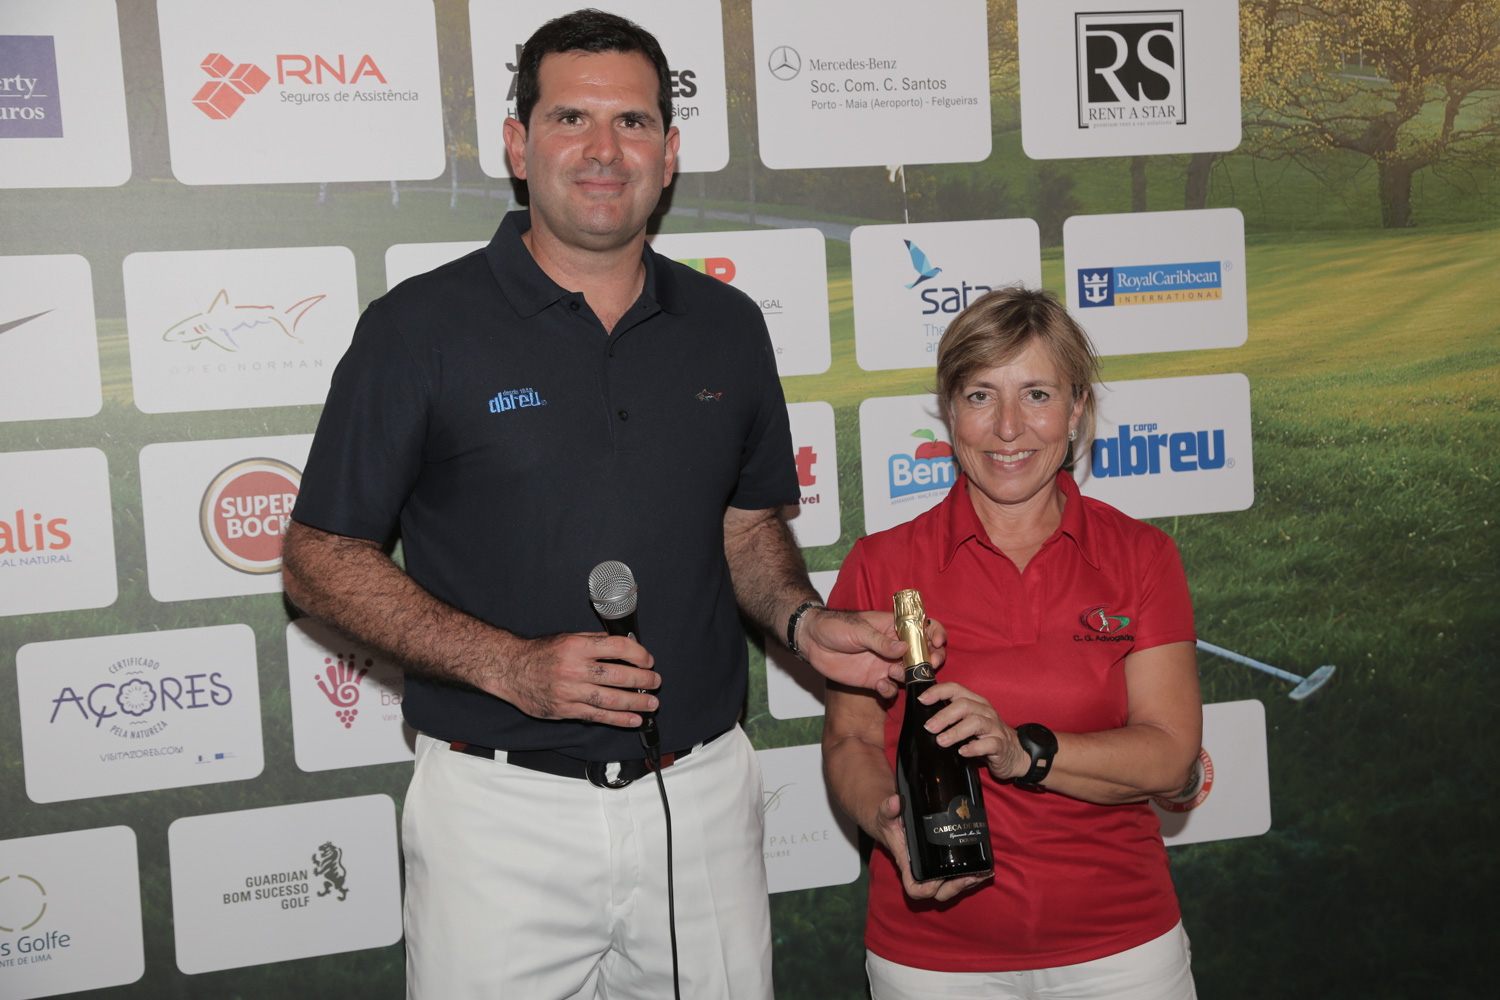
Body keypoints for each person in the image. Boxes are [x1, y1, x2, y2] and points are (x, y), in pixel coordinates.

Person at [280, 10, 917, 1000]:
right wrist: (511, 666)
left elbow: (746, 526)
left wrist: (803, 620)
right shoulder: (418, 328)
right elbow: (318, 558)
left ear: (670, 152)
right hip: (498, 811)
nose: (604, 149)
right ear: (517, 144)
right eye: (570, 118)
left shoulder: (728, 326)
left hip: (701, 801)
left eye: (632, 121)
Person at [822, 287, 1203, 1000]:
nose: (1007, 428)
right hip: (931, 958)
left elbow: (1170, 753)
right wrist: (884, 819)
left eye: (1036, 394)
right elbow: (851, 740)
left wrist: (1020, 751)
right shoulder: (880, 564)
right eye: (980, 396)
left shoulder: (1141, 556)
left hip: (1122, 949)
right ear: (949, 409)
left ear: (1077, 407)